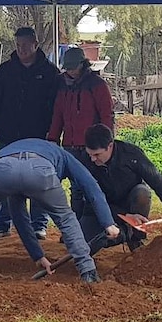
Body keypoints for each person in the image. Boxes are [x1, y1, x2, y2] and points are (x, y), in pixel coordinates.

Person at [0, 138, 120, 283]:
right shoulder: (64, 155)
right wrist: (108, 223)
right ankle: (88, 272)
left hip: (4, 168)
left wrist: (38, 256)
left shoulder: (18, 145)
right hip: (40, 171)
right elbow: (91, 186)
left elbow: (19, 217)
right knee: (65, 218)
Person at [0, 27, 59, 241]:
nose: (22, 50)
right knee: (6, 178)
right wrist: (1, 125)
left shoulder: (50, 72)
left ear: (35, 45)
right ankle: (3, 223)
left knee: (38, 179)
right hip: (9, 137)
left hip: (39, 138)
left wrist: (49, 132)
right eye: (18, 46)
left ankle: (39, 224)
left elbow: (57, 106)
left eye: (25, 45)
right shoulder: (6, 70)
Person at [81, 123, 162, 252]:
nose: (93, 159)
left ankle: (135, 238)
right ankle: (124, 232)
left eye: (97, 155)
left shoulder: (131, 154)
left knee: (142, 192)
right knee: (86, 243)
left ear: (110, 146)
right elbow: (90, 200)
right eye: (90, 154)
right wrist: (124, 215)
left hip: (130, 200)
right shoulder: (85, 161)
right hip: (101, 208)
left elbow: (156, 180)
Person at [47, 47, 114, 217]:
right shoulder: (62, 84)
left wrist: (106, 141)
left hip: (91, 146)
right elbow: (58, 114)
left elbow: (107, 113)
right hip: (70, 145)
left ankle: (96, 223)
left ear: (82, 65)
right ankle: (77, 226)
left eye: (73, 68)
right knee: (76, 188)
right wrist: (53, 138)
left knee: (92, 185)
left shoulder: (96, 84)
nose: (70, 71)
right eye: (67, 68)